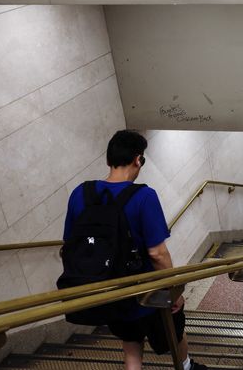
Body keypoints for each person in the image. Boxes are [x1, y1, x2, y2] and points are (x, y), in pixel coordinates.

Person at [63, 130, 208, 370]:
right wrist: (174, 292)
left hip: (110, 293)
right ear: (138, 160)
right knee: (175, 334)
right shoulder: (144, 196)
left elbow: (69, 244)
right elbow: (157, 254)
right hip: (147, 294)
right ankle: (186, 366)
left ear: (108, 159)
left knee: (131, 345)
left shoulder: (81, 193)